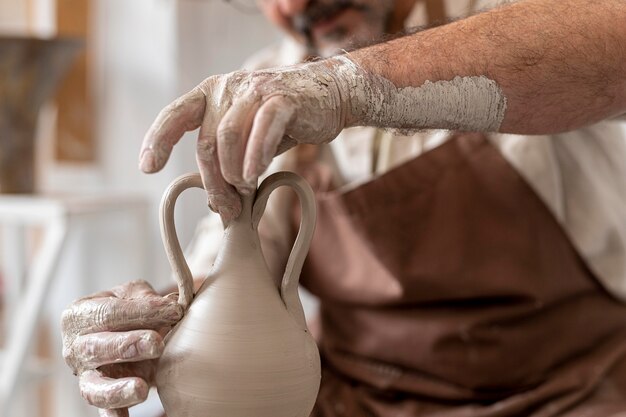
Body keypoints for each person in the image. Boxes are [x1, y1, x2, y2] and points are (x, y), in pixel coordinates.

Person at [61, 0, 626, 416]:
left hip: (558, 393)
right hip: (355, 400)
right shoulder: (270, 83)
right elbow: (224, 265)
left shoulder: (524, 23)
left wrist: (346, 88)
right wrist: (163, 328)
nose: (293, 7)